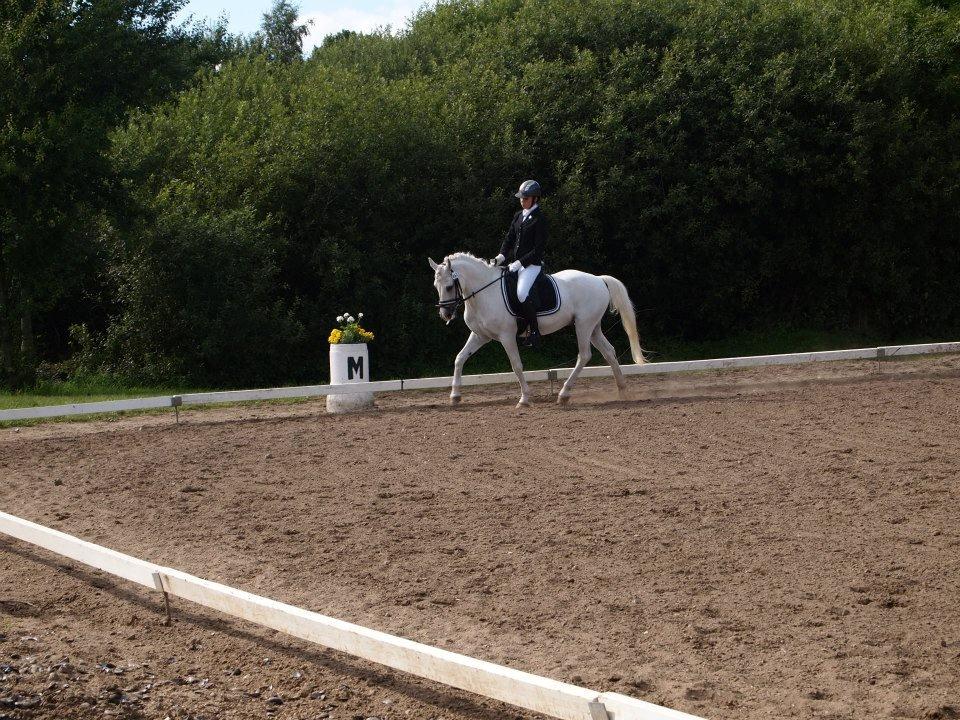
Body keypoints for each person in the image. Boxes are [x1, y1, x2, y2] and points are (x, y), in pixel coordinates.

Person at [492, 179, 547, 348]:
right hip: (516, 264)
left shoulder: (540, 219)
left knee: (522, 293)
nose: (522, 201)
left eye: (526, 198)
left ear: (535, 199)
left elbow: (537, 250)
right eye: (521, 198)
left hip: (532, 266)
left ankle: (535, 332)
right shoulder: (518, 215)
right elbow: (509, 238)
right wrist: (501, 255)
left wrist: (518, 264)